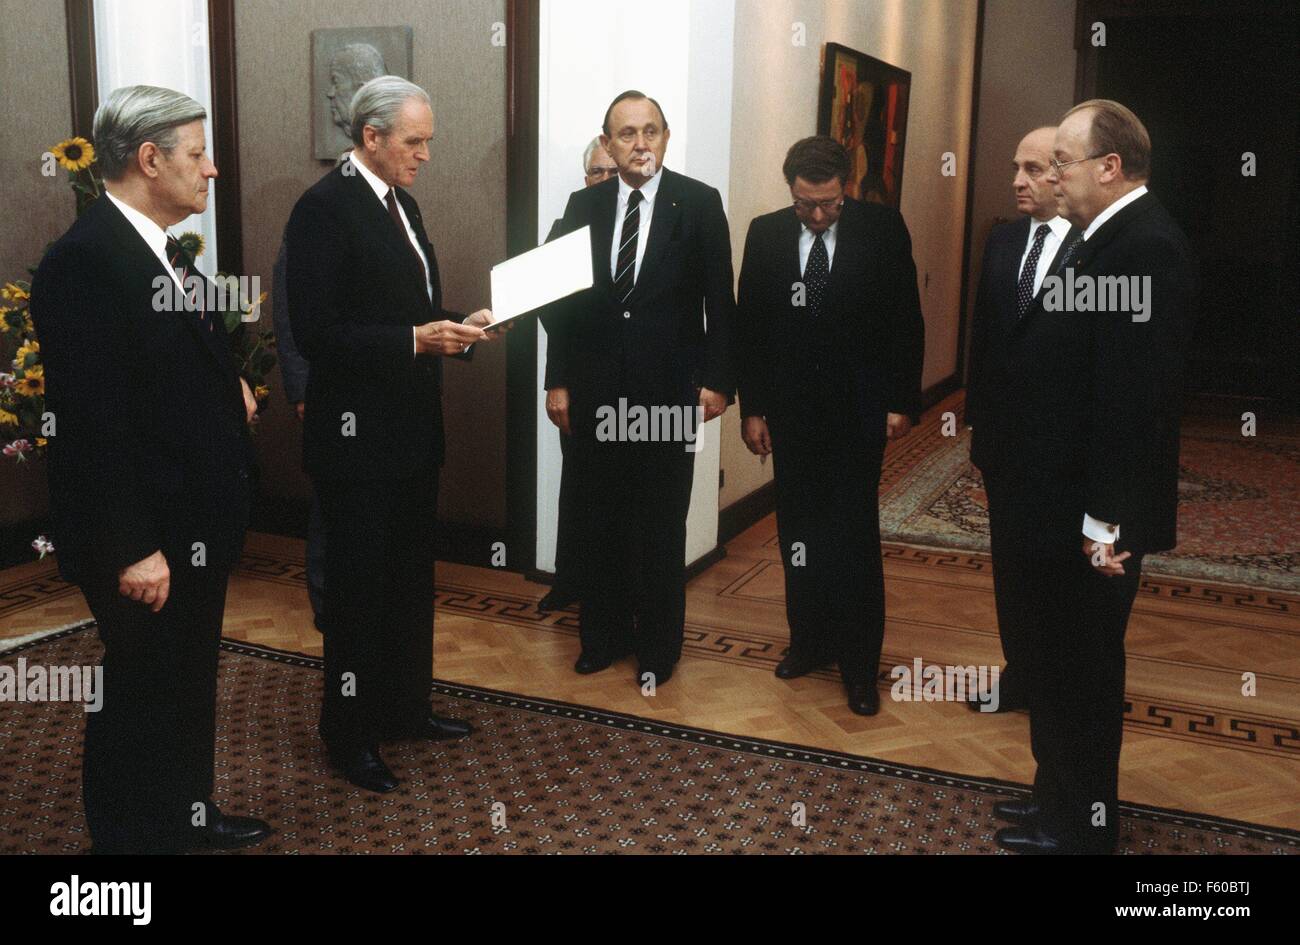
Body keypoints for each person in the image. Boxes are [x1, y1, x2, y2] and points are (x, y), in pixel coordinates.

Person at [30, 84, 271, 853]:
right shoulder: (86, 262)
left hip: (189, 522)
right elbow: (94, 426)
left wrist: (223, 382)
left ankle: (184, 815)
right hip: (143, 534)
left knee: (183, 681)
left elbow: (158, 364)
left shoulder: (158, 246)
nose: (211, 171)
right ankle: (129, 845)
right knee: (138, 690)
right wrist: (134, 545)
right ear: (148, 159)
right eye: (198, 155)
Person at [992, 100, 1197, 854]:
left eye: (1064, 163)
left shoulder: (1145, 246)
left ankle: (1083, 829)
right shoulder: (1099, 238)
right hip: (1057, 504)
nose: (1053, 176)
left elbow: (1135, 404)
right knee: (1053, 658)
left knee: (1083, 671)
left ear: (1109, 168)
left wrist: (1107, 523)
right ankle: (1055, 800)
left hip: (1093, 522)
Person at [285, 76, 500, 792]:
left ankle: (406, 707)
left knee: (408, 582)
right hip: (356, 446)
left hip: (410, 437)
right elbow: (317, 333)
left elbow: (412, 308)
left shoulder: (402, 203)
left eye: (428, 141)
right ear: (370, 138)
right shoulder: (321, 211)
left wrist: (459, 330)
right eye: (415, 141)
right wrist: (413, 339)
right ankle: (349, 735)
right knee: (355, 596)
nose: (426, 155)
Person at [541, 90, 735, 688]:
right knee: (599, 518)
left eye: (650, 131)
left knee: (658, 523)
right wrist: (558, 382)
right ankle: (600, 638)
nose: (640, 143)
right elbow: (561, 308)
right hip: (597, 393)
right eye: (626, 133)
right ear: (608, 143)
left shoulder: (698, 204)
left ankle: (657, 648)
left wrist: (719, 382)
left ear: (666, 138)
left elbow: (720, 305)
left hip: (670, 395)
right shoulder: (583, 206)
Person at [735, 135, 924, 716]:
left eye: (829, 204)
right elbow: (752, 328)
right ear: (790, 191)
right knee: (799, 533)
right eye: (805, 205)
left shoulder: (883, 229)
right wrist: (754, 408)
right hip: (791, 416)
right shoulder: (766, 234)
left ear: (847, 188)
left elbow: (905, 321)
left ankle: (860, 664)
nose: (817, 216)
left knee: (851, 535)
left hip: (858, 412)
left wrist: (899, 400)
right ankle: (809, 641)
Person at [965, 126, 1081, 713]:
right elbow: (984, 336)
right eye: (1017, 167)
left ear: (1065, 173)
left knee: (1058, 571)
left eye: (1033, 169)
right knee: (1012, 567)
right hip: (1005, 447)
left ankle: (1060, 683)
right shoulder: (1004, 241)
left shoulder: (1094, 247)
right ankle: (1021, 675)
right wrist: (978, 425)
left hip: (1065, 451)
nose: (1017, 181)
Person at [538, 136, 620, 615]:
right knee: (579, 487)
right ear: (584, 178)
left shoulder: (649, 226)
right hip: (582, 383)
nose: (604, 181)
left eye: (613, 172)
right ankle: (571, 582)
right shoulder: (567, 226)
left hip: (636, 391)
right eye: (596, 172)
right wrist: (557, 382)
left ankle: (616, 595)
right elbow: (555, 314)